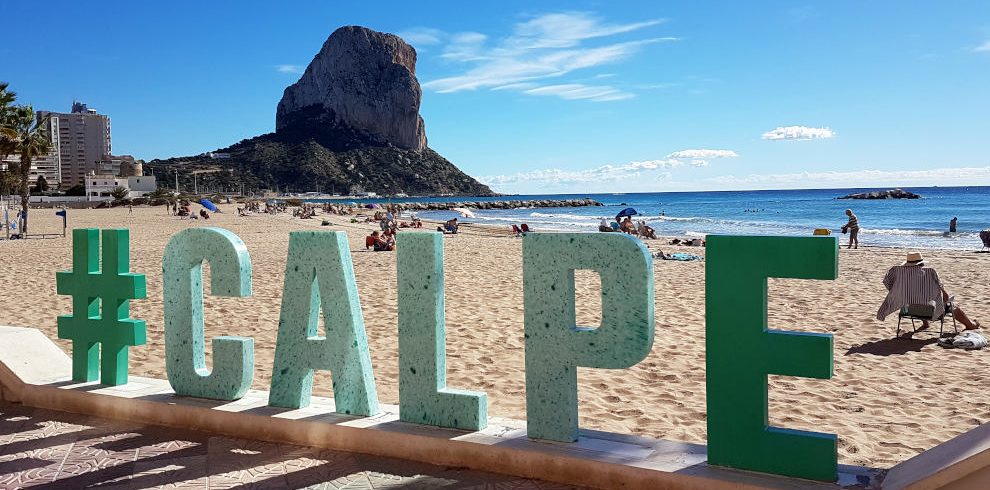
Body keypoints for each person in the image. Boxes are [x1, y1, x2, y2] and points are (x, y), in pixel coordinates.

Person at [876, 252, 981, 330]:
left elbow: (888, 284)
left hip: (908, 310)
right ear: (921, 264)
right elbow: (945, 297)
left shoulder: (899, 275)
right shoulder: (930, 272)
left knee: (914, 298)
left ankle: (925, 324)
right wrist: (943, 294)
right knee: (953, 306)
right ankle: (971, 325)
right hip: (930, 312)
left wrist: (898, 291)